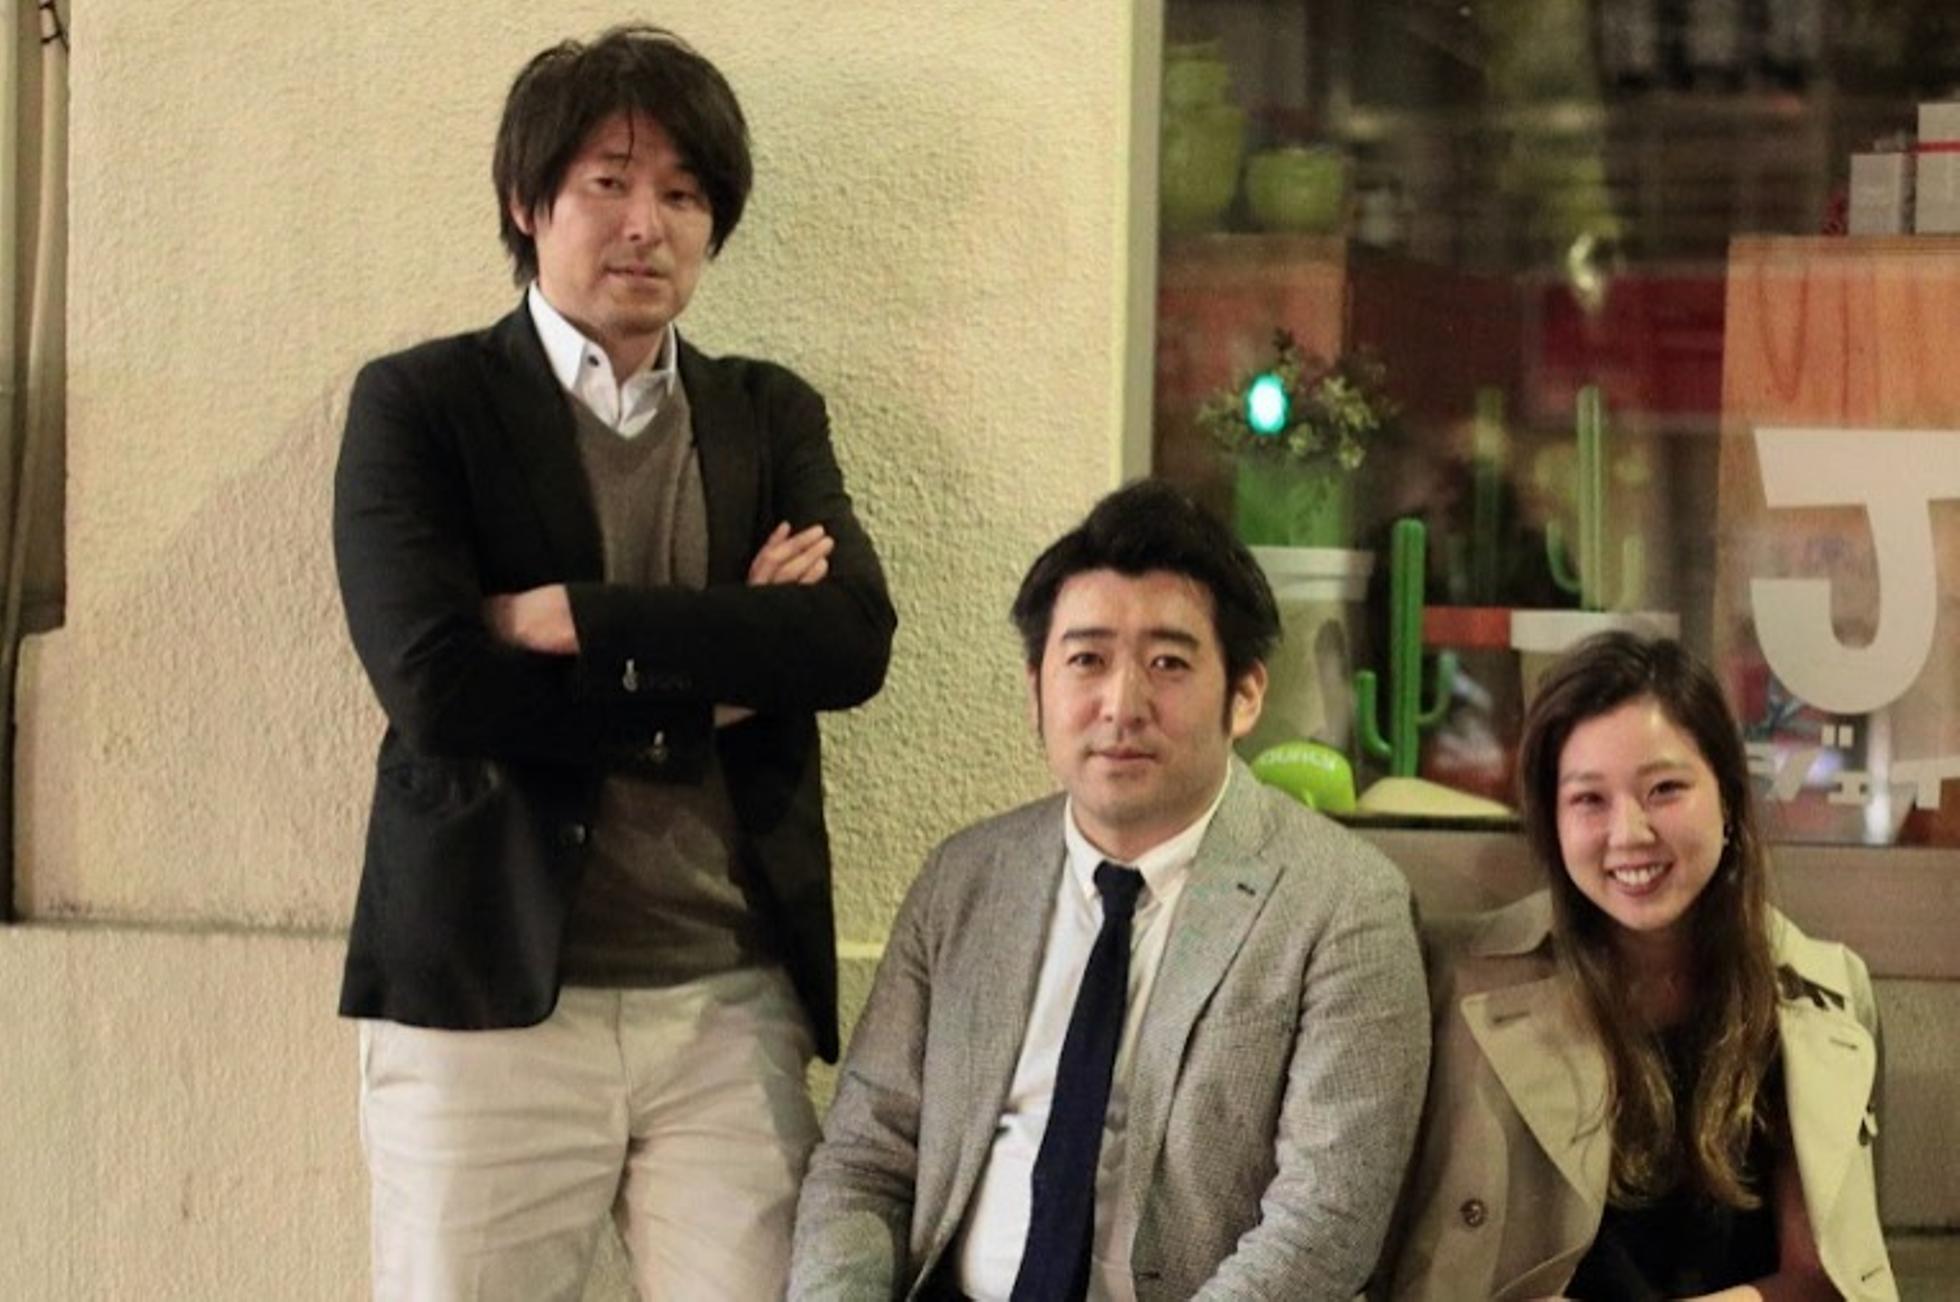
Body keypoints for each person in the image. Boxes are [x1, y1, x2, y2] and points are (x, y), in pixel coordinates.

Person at [331, 24, 894, 1299]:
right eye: (608, 182)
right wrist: (719, 663)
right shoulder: (422, 407)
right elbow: (437, 687)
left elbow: (847, 643)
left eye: (683, 195)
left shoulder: (765, 414)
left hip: (728, 1006)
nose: (647, 223)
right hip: (486, 1004)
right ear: (527, 202)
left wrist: (571, 617)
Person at [791, 479, 1429, 1301]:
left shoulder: (1344, 903)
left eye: (1168, 664)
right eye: (1087, 660)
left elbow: (1324, 1223)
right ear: (1036, 690)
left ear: (1245, 695)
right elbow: (863, 1160)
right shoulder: (966, 881)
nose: (1122, 706)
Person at [1381, 633, 1895, 1301]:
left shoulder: (1825, 993)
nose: (1628, 833)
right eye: (1589, 800)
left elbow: (1823, 1277)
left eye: (1664, 789)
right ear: (1552, 820)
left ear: (1729, 799)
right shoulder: (1455, 983)